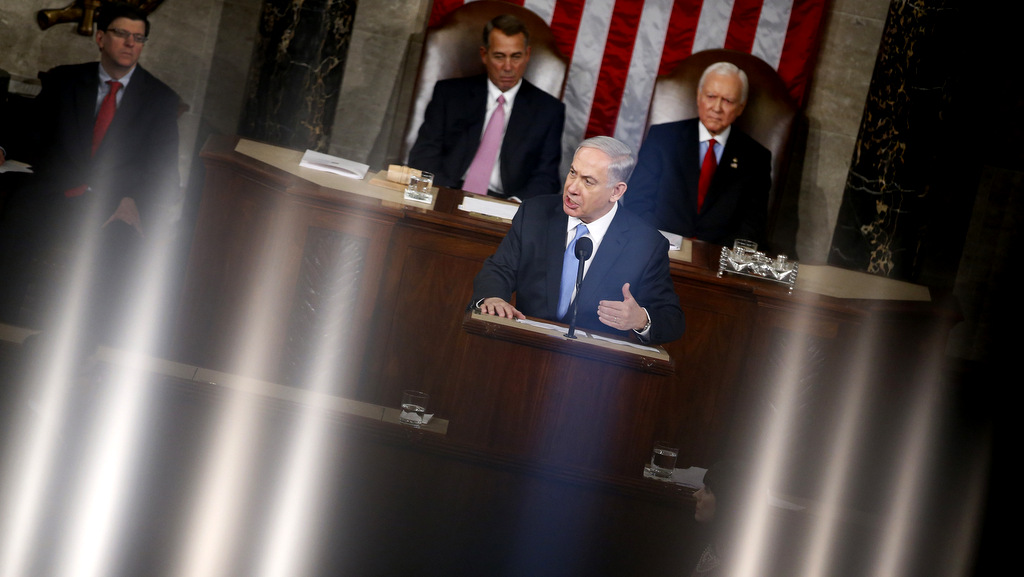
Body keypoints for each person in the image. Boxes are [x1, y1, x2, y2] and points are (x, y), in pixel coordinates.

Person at [0, 2, 180, 337]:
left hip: (113, 206)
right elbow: (29, 131)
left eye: (138, 38)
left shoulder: (160, 100)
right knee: (16, 222)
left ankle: (88, 345)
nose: (130, 43)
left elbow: (165, 173)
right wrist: (2, 149)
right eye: (121, 34)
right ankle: (6, 333)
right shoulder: (65, 80)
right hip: (55, 194)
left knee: (122, 252)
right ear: (100, 37)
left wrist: (132, 199)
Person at [470, 136, 684, 345]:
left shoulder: (645, 244)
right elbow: (499, 268)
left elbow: (671, 319)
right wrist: (493, 297)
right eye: (573, 173)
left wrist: (641, 320)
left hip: (593, 366)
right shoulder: (535, 213)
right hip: (524, 347)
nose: (572, 188)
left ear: (616, 191)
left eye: (588, 181)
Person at [407, 13, 565, 201]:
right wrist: (444, 194)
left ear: (527, 55)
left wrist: (516, 206)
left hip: (506, 203)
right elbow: (424, 154)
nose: (508, 67)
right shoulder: (450, 95)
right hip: (448, 192)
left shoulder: (549, 110)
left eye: (516, 57)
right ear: (484, 55)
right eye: (499, 56)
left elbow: (546, 177)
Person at [625, 62, 771, 247]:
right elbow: (637, 202)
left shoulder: (757, 157)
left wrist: (712, 256)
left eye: (727, 101)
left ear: (741, 107)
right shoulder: (662, 138)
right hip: (656, 249)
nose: (716, 108)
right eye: (711, 96)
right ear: (699, 96)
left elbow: (752, 226)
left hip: (716, 260)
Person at [690, 460, 750, 577]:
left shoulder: (738, 561)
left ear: (728, 501)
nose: (696, 495)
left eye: (707, 490)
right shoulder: (715, 544)